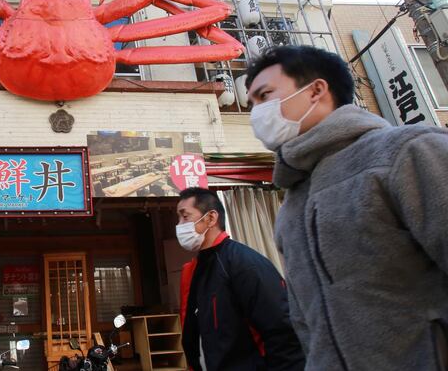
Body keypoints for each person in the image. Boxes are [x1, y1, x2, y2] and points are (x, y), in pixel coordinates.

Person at [245, 45, 448, 370]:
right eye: (251, 103)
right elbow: (306, 323)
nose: (256, 112)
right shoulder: (291, 206)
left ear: (316, 91)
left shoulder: (408, 152)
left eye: (264, 95)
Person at [177, 187, 305, 371]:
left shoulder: (245, 263)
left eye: (185, 216)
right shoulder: (193, 271)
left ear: (211, 218)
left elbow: (282, 333)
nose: (179, 224)